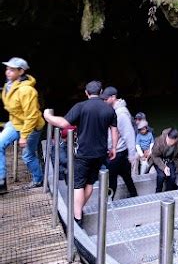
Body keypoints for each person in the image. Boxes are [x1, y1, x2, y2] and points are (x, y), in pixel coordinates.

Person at [44, 81, 118, 227]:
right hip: (100, 153)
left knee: (78, 185)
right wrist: (114, 148)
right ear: (101, 91)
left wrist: (47, 116)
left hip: (83, 153)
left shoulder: (81, 106)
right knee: (89, 183)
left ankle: (77, 218)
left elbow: (64, 123)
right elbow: (114, 131)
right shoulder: (109, 109)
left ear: (86, 92)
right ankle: (78, 210)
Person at [0, 57, 45, 194]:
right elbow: (13, 109)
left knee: (28, 156)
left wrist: (24, 136)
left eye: (12, 70)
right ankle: (1, 181)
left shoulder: (27, 90)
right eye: (7, 69)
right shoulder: (9, 85)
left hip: (31, 126)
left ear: (21, 71)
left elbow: (31, 116)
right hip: (16, 123)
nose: (8, 72)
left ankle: (39, 180)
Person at [101, 86, 138, 199]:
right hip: (118, 152)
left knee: (111, 179)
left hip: (117, 152)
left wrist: (132, 155)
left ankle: (108, 202)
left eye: (106, 99)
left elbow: (129, 134)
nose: (104, 101)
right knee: (126, 175)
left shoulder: (121, 114)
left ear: (113, 97)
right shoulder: (114, 110)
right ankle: (134, 195)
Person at [150, 127, 178, 193]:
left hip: (170, 159)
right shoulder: (159, 141)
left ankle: (168, 192)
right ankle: (158, 192)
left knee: (172, 177)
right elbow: (154, 156)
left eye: (171, 141)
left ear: (176, 140)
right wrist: (164, 167)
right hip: (159, 159)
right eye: (167, 140)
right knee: (161, 176)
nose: (168, 142)